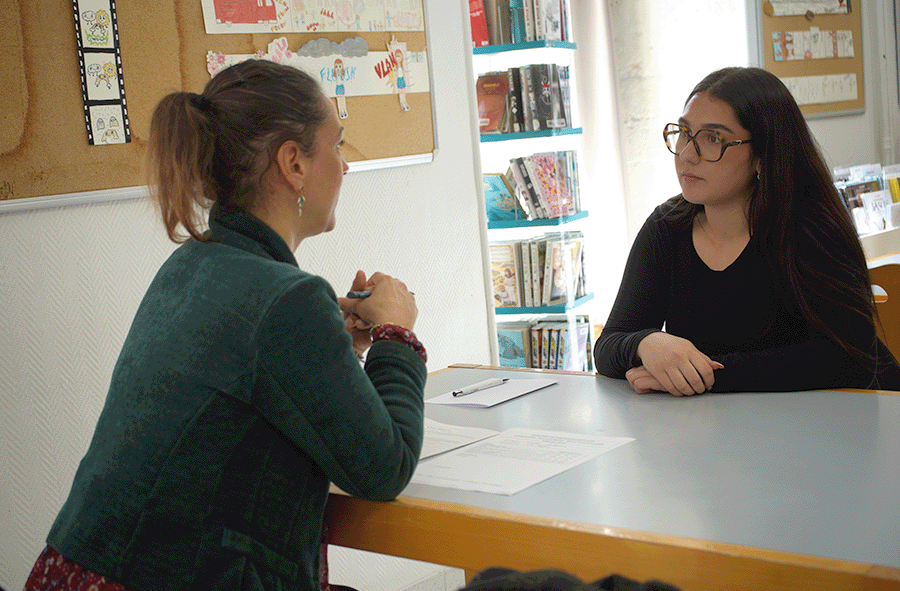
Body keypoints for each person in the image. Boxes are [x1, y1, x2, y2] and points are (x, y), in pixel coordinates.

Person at [23, 59, 427, 591]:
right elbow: (384, 468)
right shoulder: (289, 300)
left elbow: (260, 399)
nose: (345, 165)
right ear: (293, 163)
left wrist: (334, 342)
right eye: (337, 144)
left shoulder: (191, 265)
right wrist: (398, 334)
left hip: (78, 570)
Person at [594, 66, 900, 396]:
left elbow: (851, 359)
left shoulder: (812, 226)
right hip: (718, 421)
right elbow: (609, 346)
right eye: (684, 132)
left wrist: (708, 376)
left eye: (713, 138)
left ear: (763, 155)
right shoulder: (666, 229)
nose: (687, 154)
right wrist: (645, 343)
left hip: (829, 421)